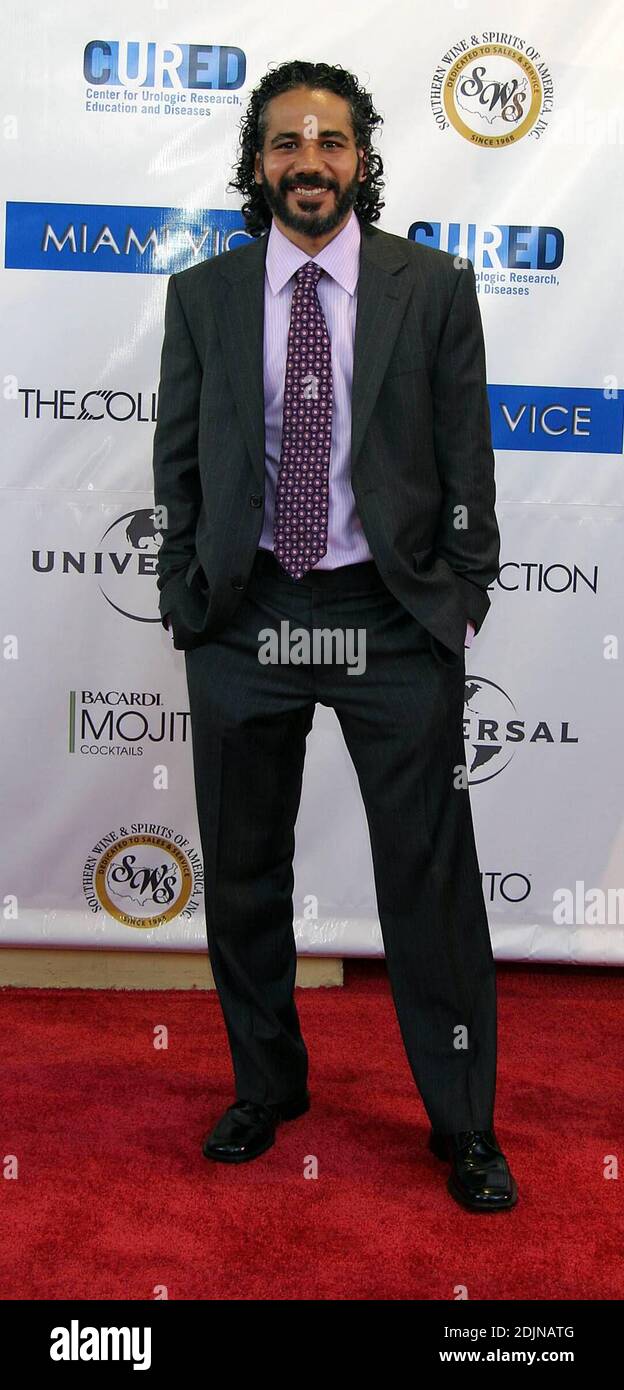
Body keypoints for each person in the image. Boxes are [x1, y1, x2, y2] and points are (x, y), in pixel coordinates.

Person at [152, 59, 517, 1212]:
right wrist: (183, 586)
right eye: (284, 144)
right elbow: (179, 460)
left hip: (391, 616)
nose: (308, 162)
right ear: (257, 165)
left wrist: (463, 589)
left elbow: (469, 452)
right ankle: (269, 1086)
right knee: (247, 871)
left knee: (430, 880)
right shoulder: (205, 296)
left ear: (361, 158)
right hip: (247, 612)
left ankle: (463, 1124)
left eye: (330, 142)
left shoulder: (433, 286)